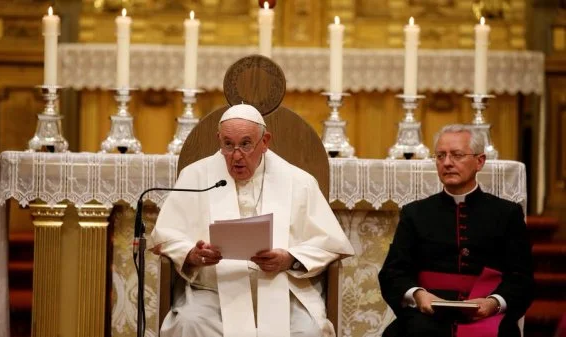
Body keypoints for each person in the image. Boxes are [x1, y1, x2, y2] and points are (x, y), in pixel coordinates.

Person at [149, 103, 355, 337]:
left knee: (308, 331)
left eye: (246, 144)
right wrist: (192, 254)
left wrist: (289, 259)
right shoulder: (196, 176)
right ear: (219, 140)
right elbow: (166, 236)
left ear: (265, 141)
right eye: (228, 144)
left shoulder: (298, 181)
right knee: (190, 323)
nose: (236, 155)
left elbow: (329, 242)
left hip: (281, 288)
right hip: (212, 290)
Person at [378, 124, 534, 337]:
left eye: (457, 155)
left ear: (480, 161)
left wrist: (493, 303)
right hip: (426, 318)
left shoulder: (507, 214)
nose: (447, 162)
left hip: (488, 316)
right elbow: (393, 273)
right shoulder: (415, 213)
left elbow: (522, 278)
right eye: (441, 156)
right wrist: (419, 295)